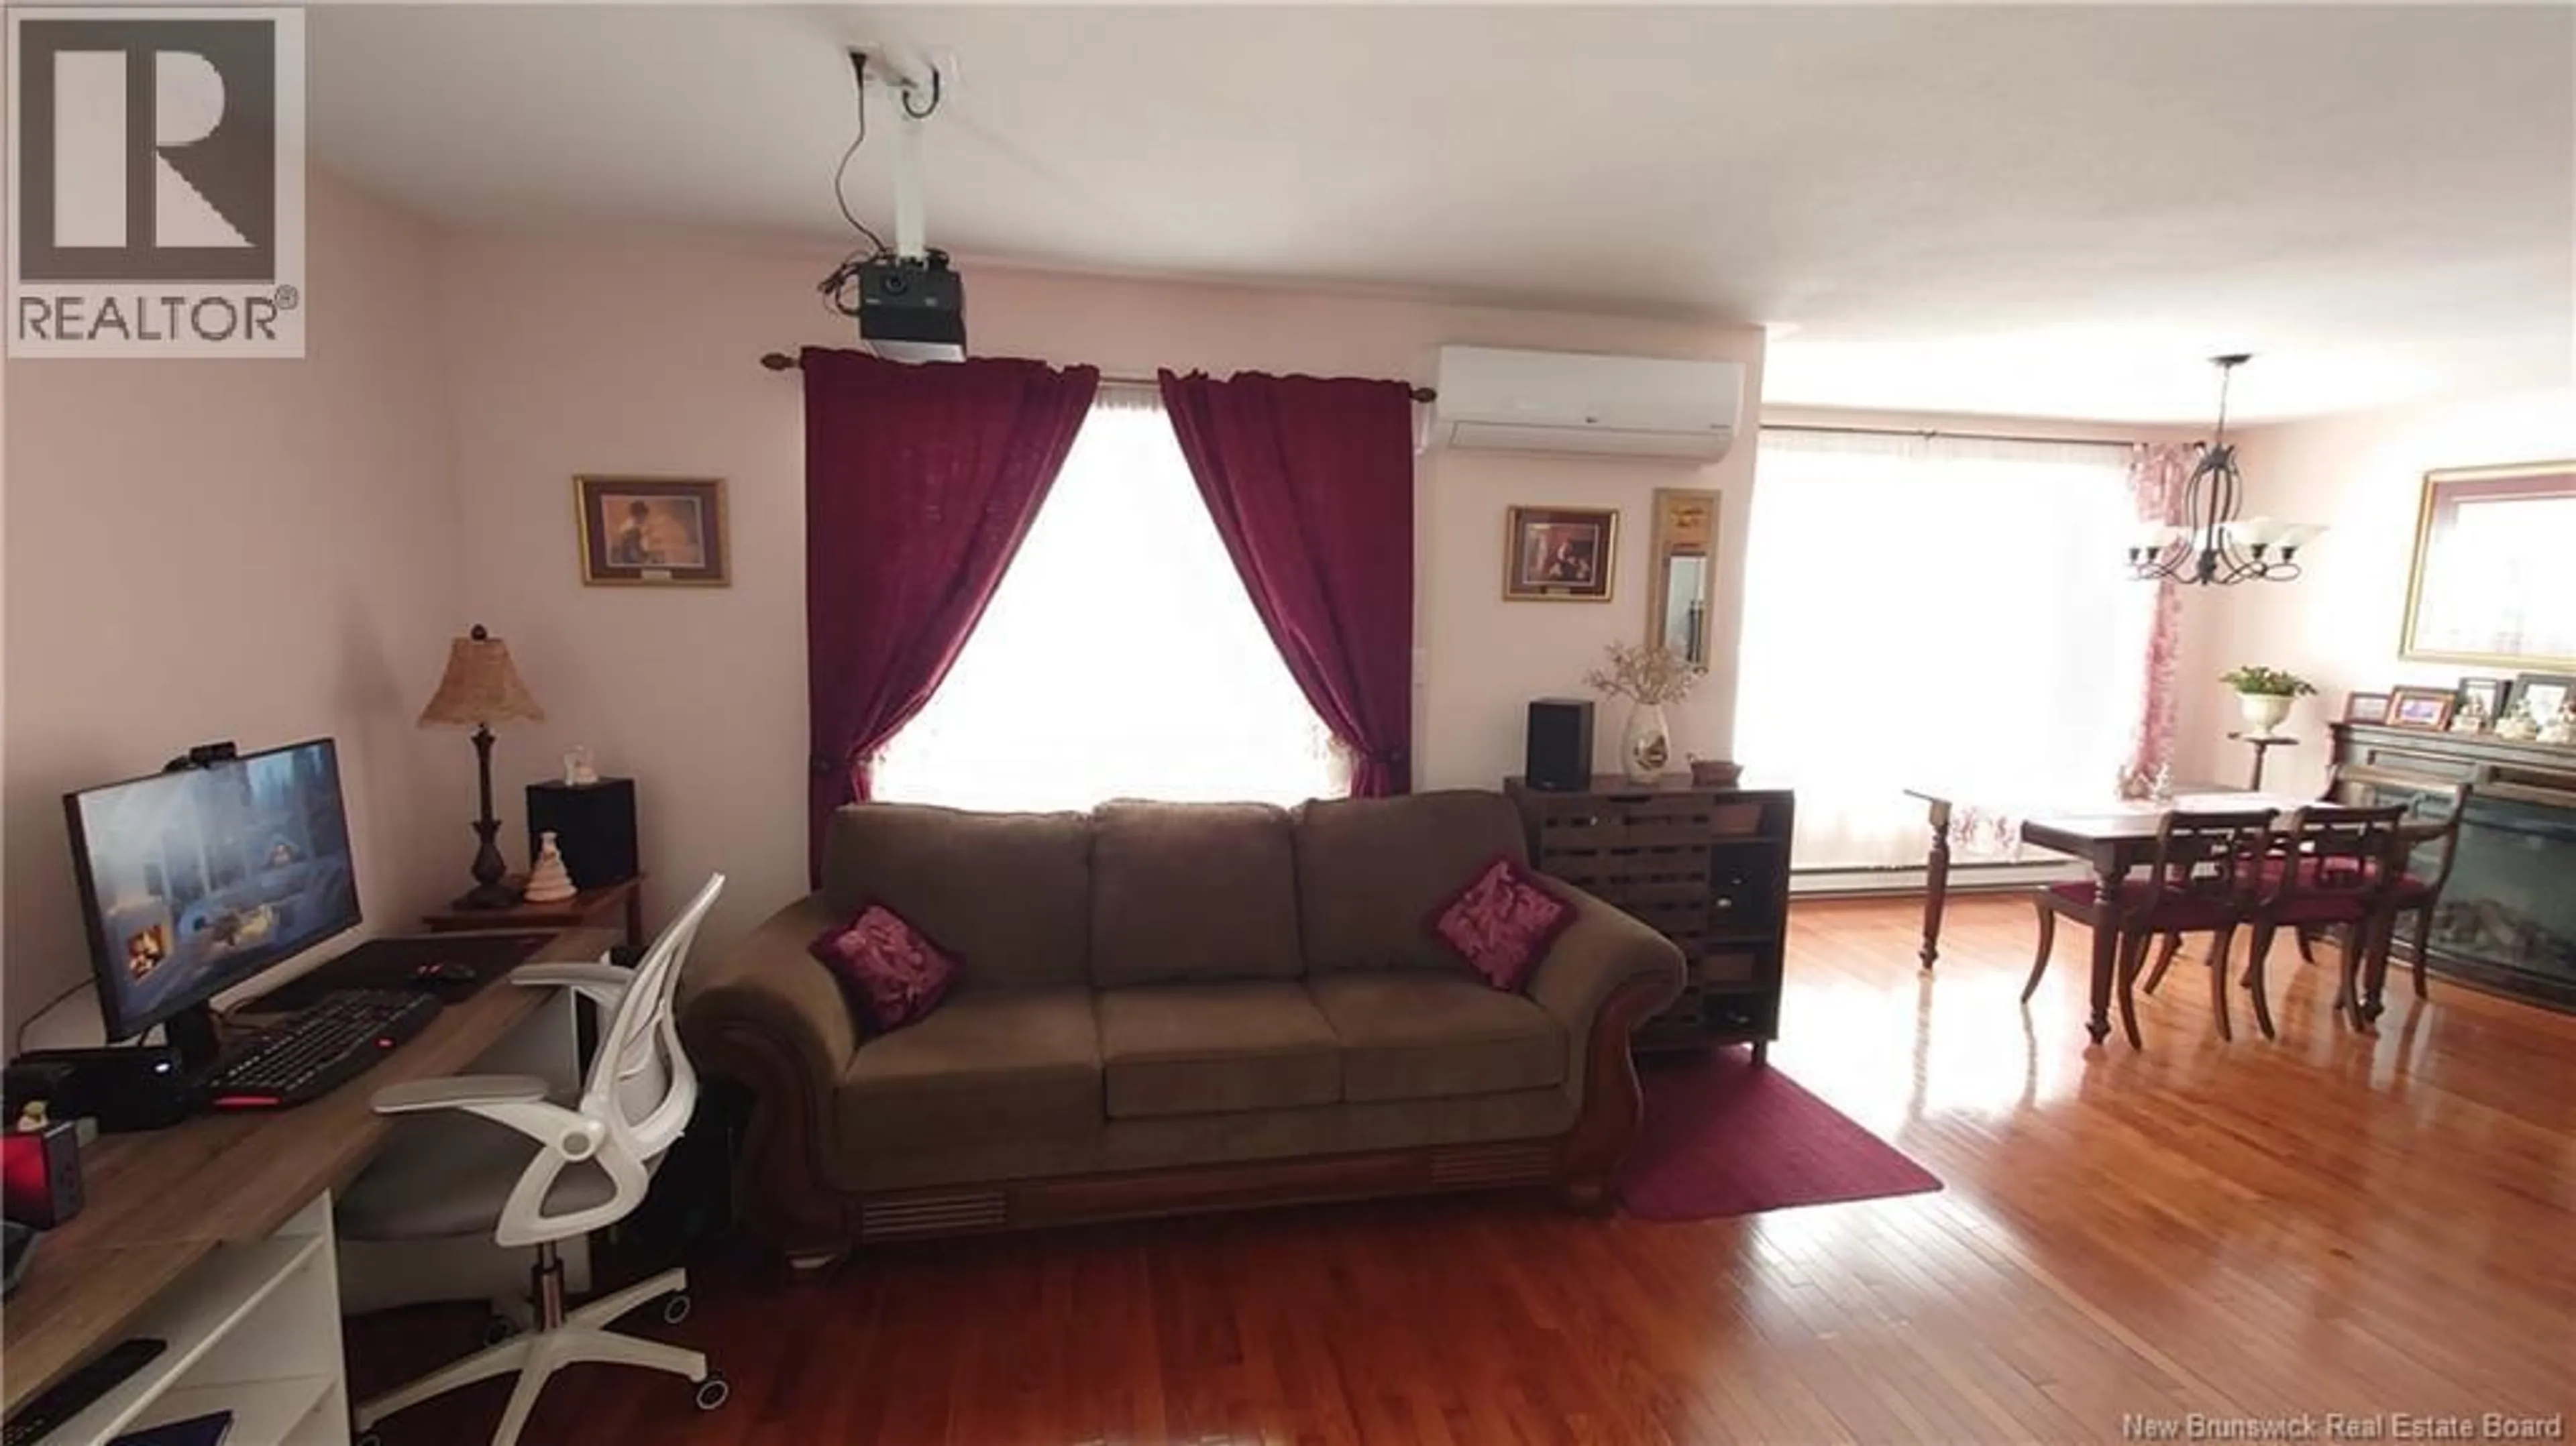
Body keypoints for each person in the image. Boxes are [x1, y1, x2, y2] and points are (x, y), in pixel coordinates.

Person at [611, 500, 652, 566]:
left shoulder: (627, 526)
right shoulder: (631, 530)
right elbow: (634, 555)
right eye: (644, 516)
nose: (645, 519)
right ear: (639, 515)